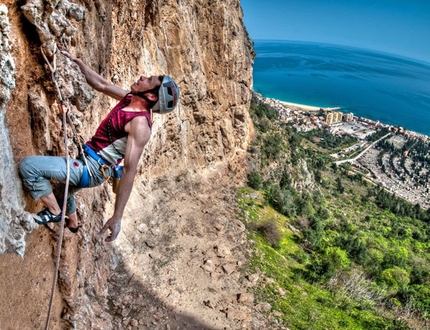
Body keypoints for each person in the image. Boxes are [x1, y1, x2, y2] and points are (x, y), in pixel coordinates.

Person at [19, 51, 179, 242]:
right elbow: (101, 84)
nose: (143, 77)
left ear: (152, 96)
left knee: (29, 167)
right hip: (88, 158)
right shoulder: (130, 98)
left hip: (92, 169)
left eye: (149, 80)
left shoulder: (140, 125)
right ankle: (73, 222)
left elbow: (129, 170)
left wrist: (117, 216)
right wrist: (78, 63)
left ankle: (55, 212)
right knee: (63, 191)